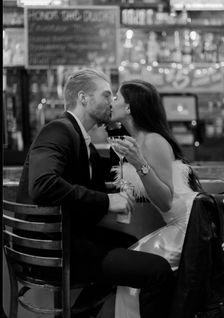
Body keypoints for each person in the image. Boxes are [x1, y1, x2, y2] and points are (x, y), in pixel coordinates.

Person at [16, 69, 175, 318]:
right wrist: (107, 201)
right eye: (106, 95)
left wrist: (116, 128)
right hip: (51, 250)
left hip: (65, 240)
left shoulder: (80, 137)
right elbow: (42, 185)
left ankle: (79, 313)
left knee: (129, 244)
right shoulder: (57, 130)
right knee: (158, 271)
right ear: (83, 98)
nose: (112, 102)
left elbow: (110, 171)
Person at [107, 79, 202, 318]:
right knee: (131, 274)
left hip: (189, 226)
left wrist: (140, 164)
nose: (111, 101)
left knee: (133, 279)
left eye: (116, 97)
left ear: (129, 108)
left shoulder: (153, 140)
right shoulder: (135, 141)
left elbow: (165, 201)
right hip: (177, 224)